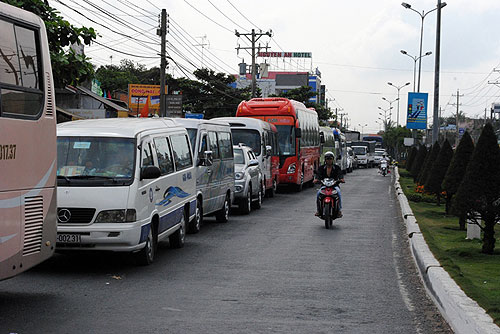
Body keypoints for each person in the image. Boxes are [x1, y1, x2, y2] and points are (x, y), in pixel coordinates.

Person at [314, 151, 344, 217]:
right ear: (325, 160)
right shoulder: (321, 168)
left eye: (330, 159)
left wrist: (341, 179)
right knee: (318, 193)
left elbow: (340, 174)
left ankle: (339, 210)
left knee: (338, 193)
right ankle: (319, 210)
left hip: (334, 186)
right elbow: (318, 174)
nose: (329, 160)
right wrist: (316, 179)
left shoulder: (336, 167)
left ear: (333, 159)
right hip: (324, 186)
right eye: (327, 159)